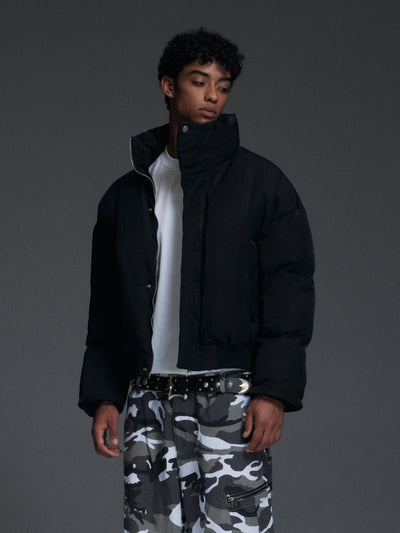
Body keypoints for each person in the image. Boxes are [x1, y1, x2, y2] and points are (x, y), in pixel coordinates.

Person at [78, 28, 315, 533]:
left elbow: (289, 292)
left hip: (230, 398)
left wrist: (274, 392)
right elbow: (107, 307)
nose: (212, 96)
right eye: (199, 81)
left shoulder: (262, 185)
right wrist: (105, 396)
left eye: (223, 86)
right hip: (147, 400)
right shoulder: (125, 195)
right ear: (169, 85)